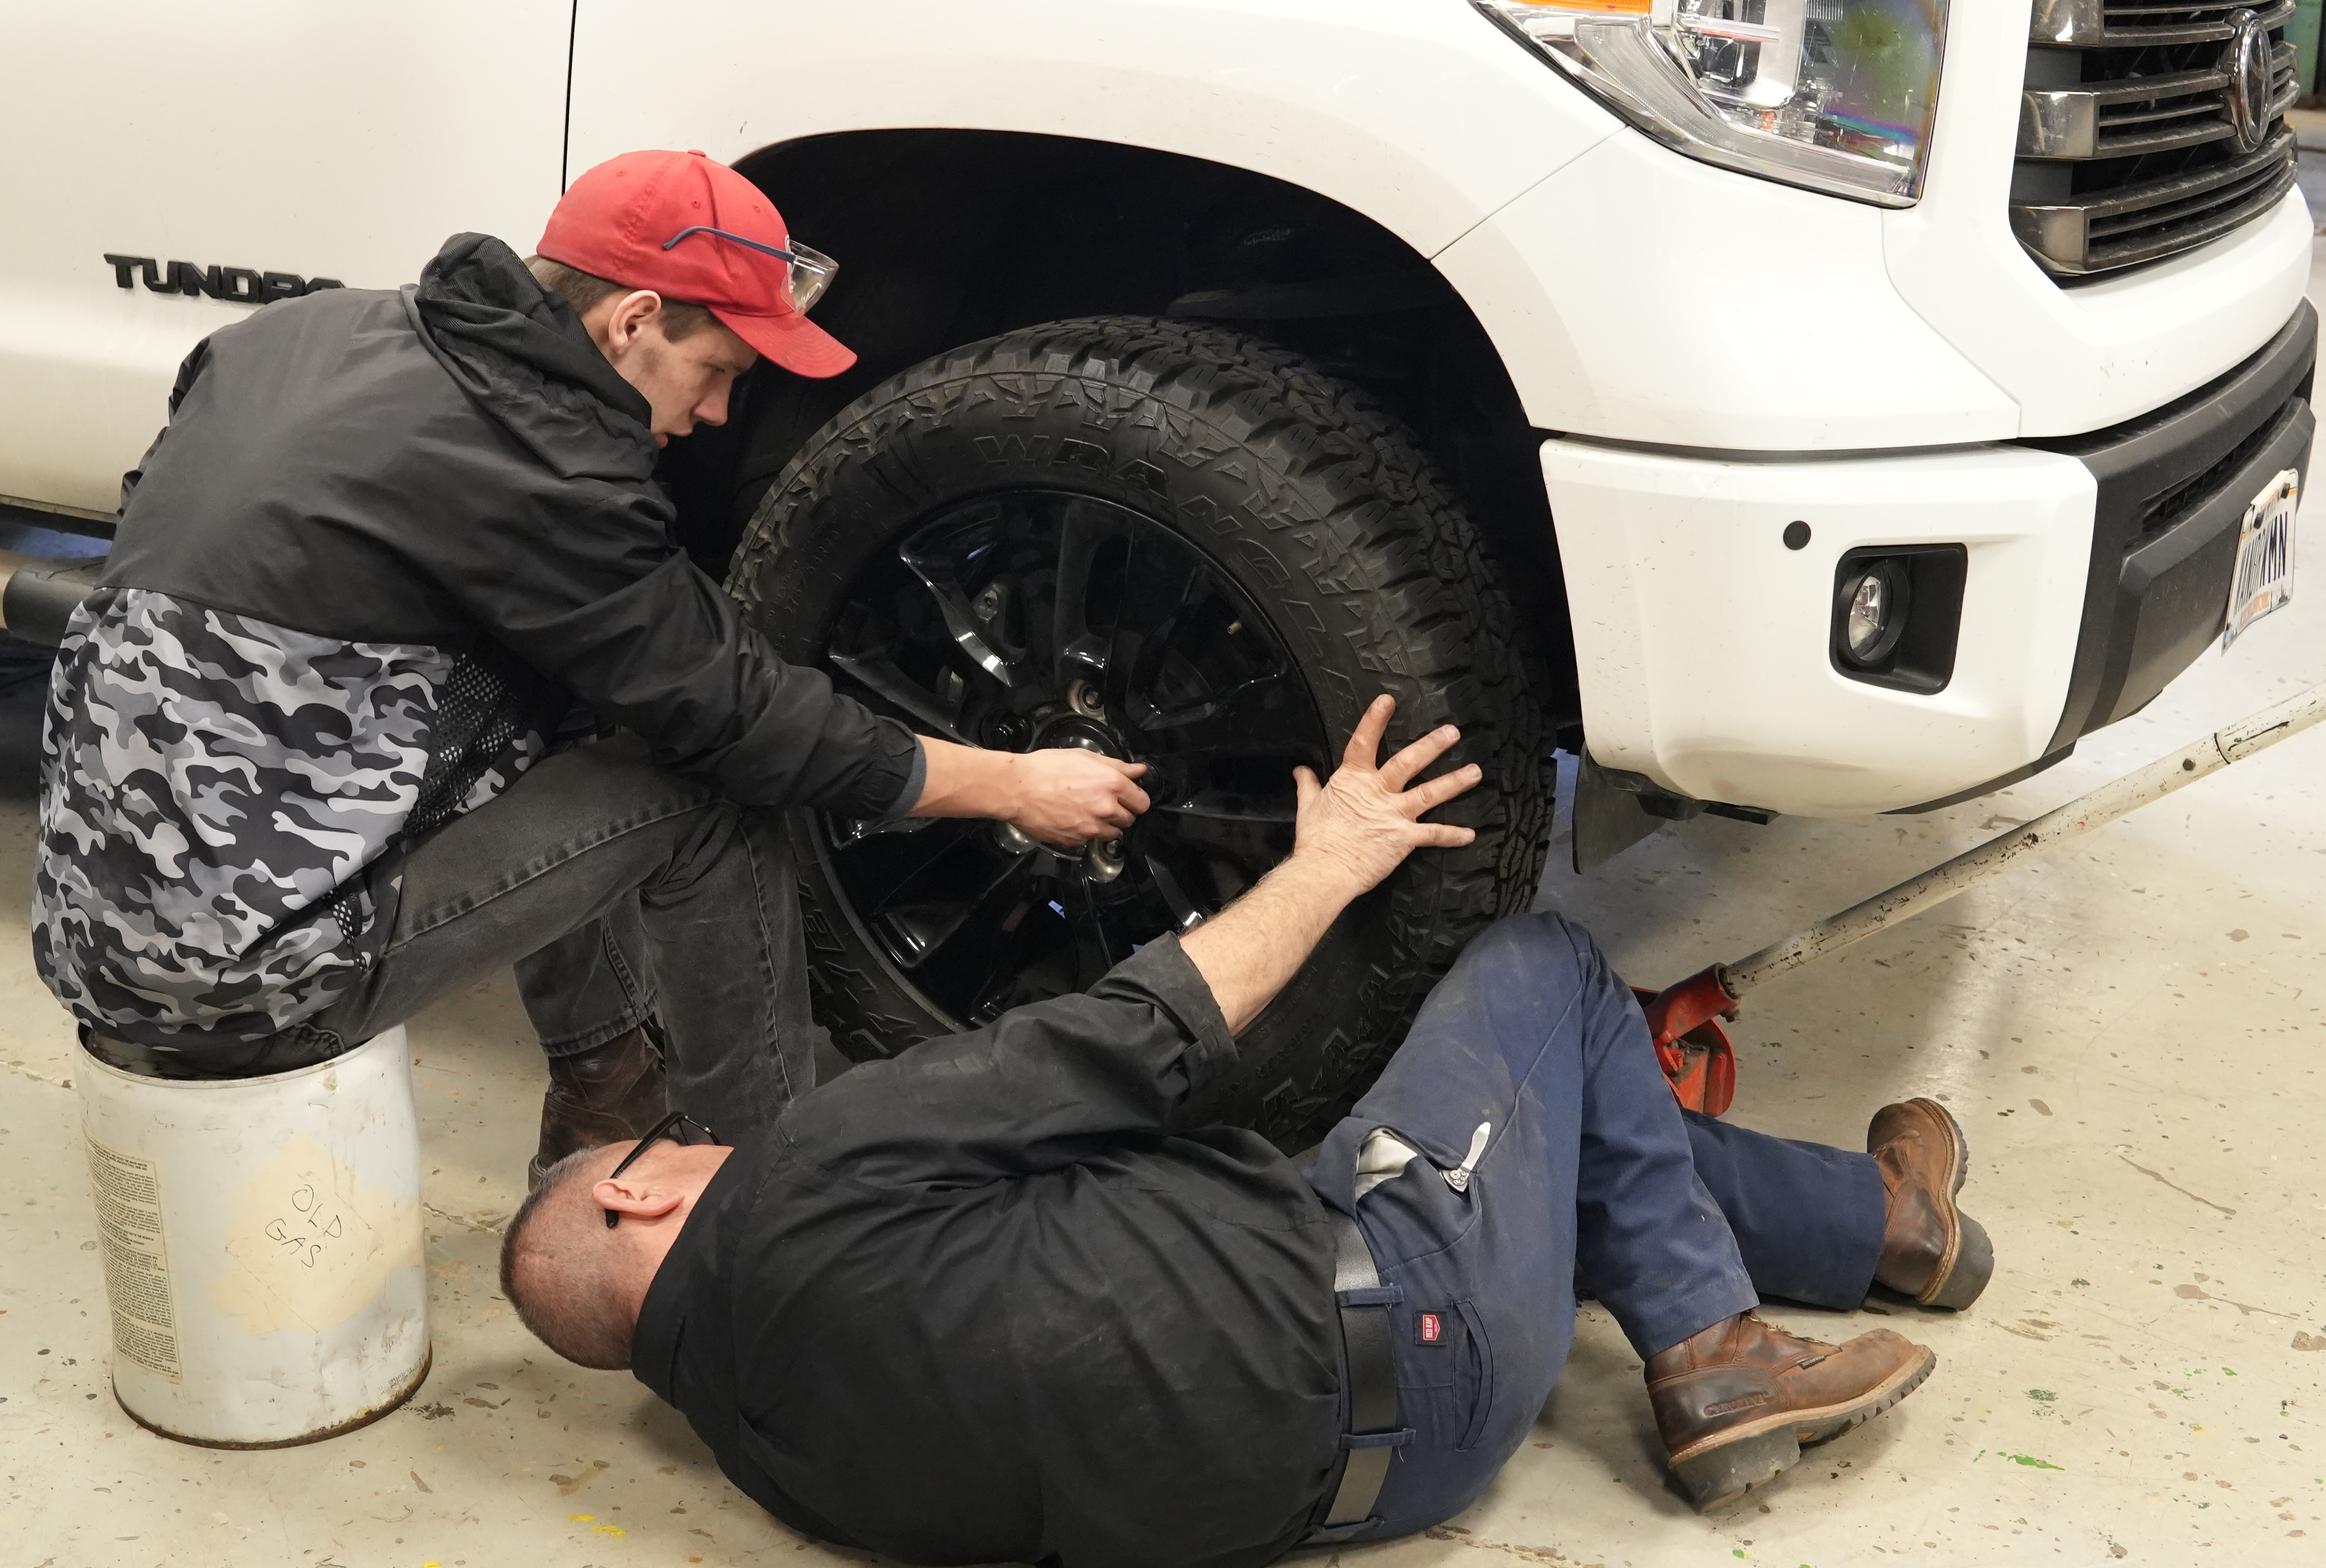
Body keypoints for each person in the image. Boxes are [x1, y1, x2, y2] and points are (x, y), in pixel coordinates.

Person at [502, 696, 1995, 1566]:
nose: (703, 1137)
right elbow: (1139, 1031)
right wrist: (1330, 861)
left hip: (1371, 1492)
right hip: (1418, 1323)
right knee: (1550, 981)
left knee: (1533, 1123)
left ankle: (1885, 1224)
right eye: (672, 1144)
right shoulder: (805, 1175)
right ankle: (1720, 1356)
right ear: (637, 1205)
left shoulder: (775, 1469)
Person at [32, 150, 1149, 1177]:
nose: (716, 414)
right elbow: (742, 717)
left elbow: (150, 525)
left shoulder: (292, 337)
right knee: (707, 788)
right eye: (715, 371)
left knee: (559, 703)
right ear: (633, 320)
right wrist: (1010, 783)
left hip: (98, 930)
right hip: (242, 990)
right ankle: (759, 1207)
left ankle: (602, 1086)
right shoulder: (545, 477)